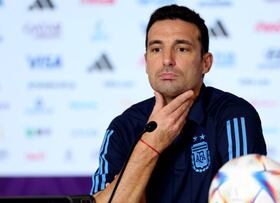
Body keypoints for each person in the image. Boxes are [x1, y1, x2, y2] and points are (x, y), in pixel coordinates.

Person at [90, 4, 267, 203]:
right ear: (146, 62)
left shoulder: (234, 116)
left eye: (181, 49)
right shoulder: (123, 127)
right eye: (156, 49)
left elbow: (246, 199)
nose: (167, 60)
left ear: (205, 63)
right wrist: (150, 144)